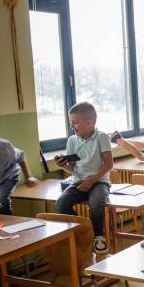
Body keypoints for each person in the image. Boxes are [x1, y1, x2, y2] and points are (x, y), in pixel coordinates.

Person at [55, 102, 113, 253]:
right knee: (61, 203)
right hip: (79, 182)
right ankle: (82, 232)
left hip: (99, 182)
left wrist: (91, 181)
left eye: (74, 123)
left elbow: (108, 165)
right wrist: (62, 165)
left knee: (96, 204)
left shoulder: (102, 137)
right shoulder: (72, 140)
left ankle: (99, 236)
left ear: (89, 123)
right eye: (71, 123)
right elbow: (72, 168)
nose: (72, 126)